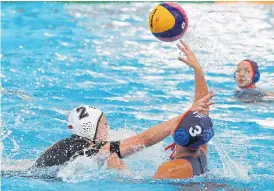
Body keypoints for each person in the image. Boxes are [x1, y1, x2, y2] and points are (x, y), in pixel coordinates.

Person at [34, 41, 214, 173]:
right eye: (104, 124)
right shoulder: (96, 151)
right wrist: (121, 175)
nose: (108, 127)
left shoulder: (62, 146)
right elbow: (144, 140)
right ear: (91, 130)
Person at [107, 40, 215, 179]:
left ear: (177, 133)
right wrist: (198, 70)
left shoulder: (171, 169)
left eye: (177, 121)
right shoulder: (200, 151)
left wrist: (120, 174)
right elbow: (202, 112)